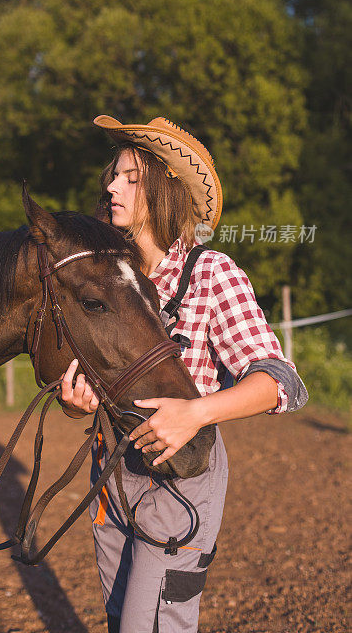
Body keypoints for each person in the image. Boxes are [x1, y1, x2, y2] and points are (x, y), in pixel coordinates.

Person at [60, 115, 308, 633]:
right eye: (112, 175)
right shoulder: (104, 282)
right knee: (119, 619)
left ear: (166, 191)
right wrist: (74, 401)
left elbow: (281, 382)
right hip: (111, 479)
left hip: (182, 479)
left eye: (130, 177)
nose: (110, 187)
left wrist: (196, 411)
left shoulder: (211, 274)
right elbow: (85, 387)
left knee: (152, 626)